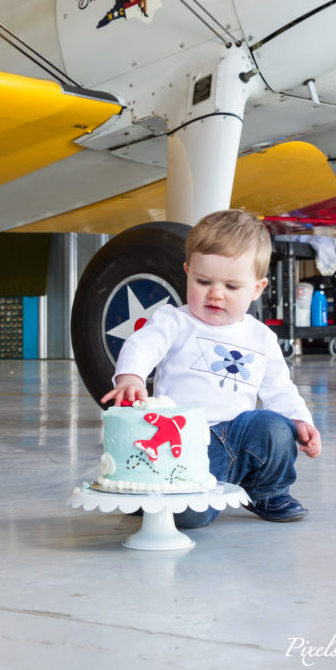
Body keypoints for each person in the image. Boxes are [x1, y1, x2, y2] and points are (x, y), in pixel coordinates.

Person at [101, 209, 322, 526]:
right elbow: (142, 344)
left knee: (275, 426)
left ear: (257, 288)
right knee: (192, 518)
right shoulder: (175, 320)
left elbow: (280, 388)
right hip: (185, 441)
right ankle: (151, 493)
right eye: (203, 281)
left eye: (232, 286)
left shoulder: (261, 338)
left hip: (239, 434)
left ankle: (268, 492)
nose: (216, 294)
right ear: (187, 272)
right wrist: (131, 376)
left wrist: (301, 421)